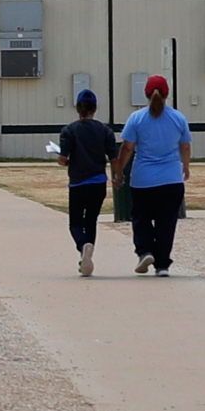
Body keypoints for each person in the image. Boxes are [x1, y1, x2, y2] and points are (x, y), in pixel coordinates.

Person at [115, 73, 192, 276]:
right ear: (167, 93)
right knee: (166, 222)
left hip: (143, 179)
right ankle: (162, 265)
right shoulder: (178, 118)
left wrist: (119, 170)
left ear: (146, 94)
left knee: (141, 217)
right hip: (171, 179)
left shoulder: (137, 118)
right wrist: (186, 166)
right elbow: (185, 146)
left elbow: (127, 147)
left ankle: (145, 251)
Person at [56, 88, 116, 276]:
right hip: (98, 182)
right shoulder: (105, 131)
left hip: (78, 183)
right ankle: (86, 257)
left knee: (75, 223)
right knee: (91, 221)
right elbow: (114, 157)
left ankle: (83, 246)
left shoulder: (69, 131)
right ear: (95, 108)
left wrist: (64, 160)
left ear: (77, 109)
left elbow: (63, 159)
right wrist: (118, 176)